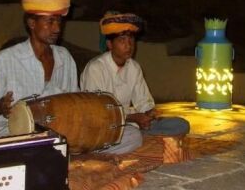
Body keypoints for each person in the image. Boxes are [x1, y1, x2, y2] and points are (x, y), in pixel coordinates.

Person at [81, 12, 190, 154]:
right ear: (109, 44)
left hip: (131, 124)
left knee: (180, 124)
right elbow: (99, 114)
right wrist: (133, 117)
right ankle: (121, 144)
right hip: (103, 127)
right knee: (133, 135)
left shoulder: (134, 67)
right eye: (122, 40)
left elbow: (143, 101)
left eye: (131, 40)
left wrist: (149, 114)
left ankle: (137, 139)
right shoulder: (96, 68)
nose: (129, 45)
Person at [0, 0, 78, 136]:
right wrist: (1, 107)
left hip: (58, 134)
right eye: (50, 22)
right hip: (15, 135)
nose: (57, 29)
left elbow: (74, 102)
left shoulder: (65, 58)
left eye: (59, 22)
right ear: (32, 23)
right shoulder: (8, 59)